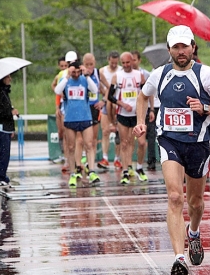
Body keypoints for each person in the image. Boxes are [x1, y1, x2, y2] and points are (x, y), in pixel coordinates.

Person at [133, 25, 210, 275]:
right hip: (170, 142)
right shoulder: (160, 75)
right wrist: (141, 121)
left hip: (198, 144)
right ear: (169, 50)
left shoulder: (206, 74)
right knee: (175, 196)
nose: (181, 51)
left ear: (193, 47)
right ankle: (179, 258)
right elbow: (143, 97)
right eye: (176, 47)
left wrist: (205, 107)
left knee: (196, 203)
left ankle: (194, 232)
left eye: (185, 46)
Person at [54, 60, 101, 187]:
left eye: (77, 72)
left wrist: (86, 75)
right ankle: (73, 172)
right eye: (72, 71)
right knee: (71, 147)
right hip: (70, 118)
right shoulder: (66, 80)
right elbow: (58, 91)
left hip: (85, 117)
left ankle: (91, 170)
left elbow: (95, 89)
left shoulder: (84, 80)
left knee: (89, 144)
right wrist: (67, 76)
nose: (75, 74)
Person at [107, 51, 148, 184]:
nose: (125, 65)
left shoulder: (139, 75)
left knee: (141, 142)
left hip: (137, 115)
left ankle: (140, 168)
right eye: (123, 63)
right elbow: (110, 96)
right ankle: (125, 170)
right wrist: (122, 104)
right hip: (123, 114)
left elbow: (146, 94)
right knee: (125, 143)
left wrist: (151, 109)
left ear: (133, 61)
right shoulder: (117, 76)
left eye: (128, 62)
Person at [0, 74, 19, 187]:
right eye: (7, 77)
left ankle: (1, 175)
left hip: (6, 128)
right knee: (3, 153)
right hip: (0, 127)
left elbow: (5, 109)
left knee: (5, 153)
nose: (10, 79)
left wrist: (11, 128)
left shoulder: (4, 92)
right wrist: (10, 112)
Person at [98, 51, 122, 169]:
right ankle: (105, 158)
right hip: (106, 103)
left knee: (119, 133)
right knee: (105, 131)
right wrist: (106, 94)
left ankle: (117, 159)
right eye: (112, 63)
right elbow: (99, 87)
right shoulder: (102, 71)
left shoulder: (121, 71)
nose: (113, 65)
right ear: (108, 60)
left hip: (117, 105)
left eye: (115, 63)